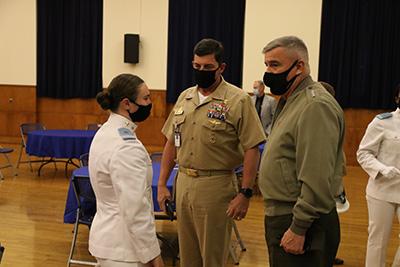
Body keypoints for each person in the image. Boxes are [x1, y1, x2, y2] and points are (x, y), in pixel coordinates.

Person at [157, 38, 266, 267]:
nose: (201, 71)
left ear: (221, 68)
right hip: (183, 182)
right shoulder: (184, 97)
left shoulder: (238, 100)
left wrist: (245, 194)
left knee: (212, 257)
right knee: (187, 256)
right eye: (197, 66)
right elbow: (170, 143)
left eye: (208, 67)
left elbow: (252, 148)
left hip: (215, 185)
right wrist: (161, 185)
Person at [258, 36, 346, 267]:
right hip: (285, 216)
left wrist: (299, 227)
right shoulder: (291, 101)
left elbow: (317, 177)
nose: (268, 72)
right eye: (266, 65)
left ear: (300, 66)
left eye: (275, 65)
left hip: (301, 221)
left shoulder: (314, 105)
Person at [88, 74, 164, 267]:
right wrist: (153, 255)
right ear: (127, 104)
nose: (150, 103)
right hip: (125, 249)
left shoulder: (105, 132)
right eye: (146, 98)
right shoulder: (126, 147)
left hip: (109, 240)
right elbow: (135, 208)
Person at [356, 83, 400, 267]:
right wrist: (382, 168)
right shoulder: (383, 122)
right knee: (379, 239)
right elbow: (363, 153)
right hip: (383, 190)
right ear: (398, 98)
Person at [320, 81, 349, 266]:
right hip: (321, 177)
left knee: (330, 220)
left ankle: (328, 255)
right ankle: (323, 256)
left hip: (333, 176)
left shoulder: (333, 114)